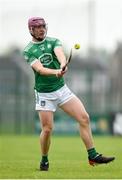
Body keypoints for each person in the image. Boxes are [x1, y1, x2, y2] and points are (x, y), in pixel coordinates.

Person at [23, 17, 115, 171]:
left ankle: (92, 155)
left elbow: (60, 54)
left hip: (61, 90)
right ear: (31, 30)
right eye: (37, 27)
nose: (41, 29)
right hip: (44, 94)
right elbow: (39, 69)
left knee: (84, 118)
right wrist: (56, 71)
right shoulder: (28, 50)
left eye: (43, 26)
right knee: (47, 129)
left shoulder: (53, 41)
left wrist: (62, 64)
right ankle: (44, 159)